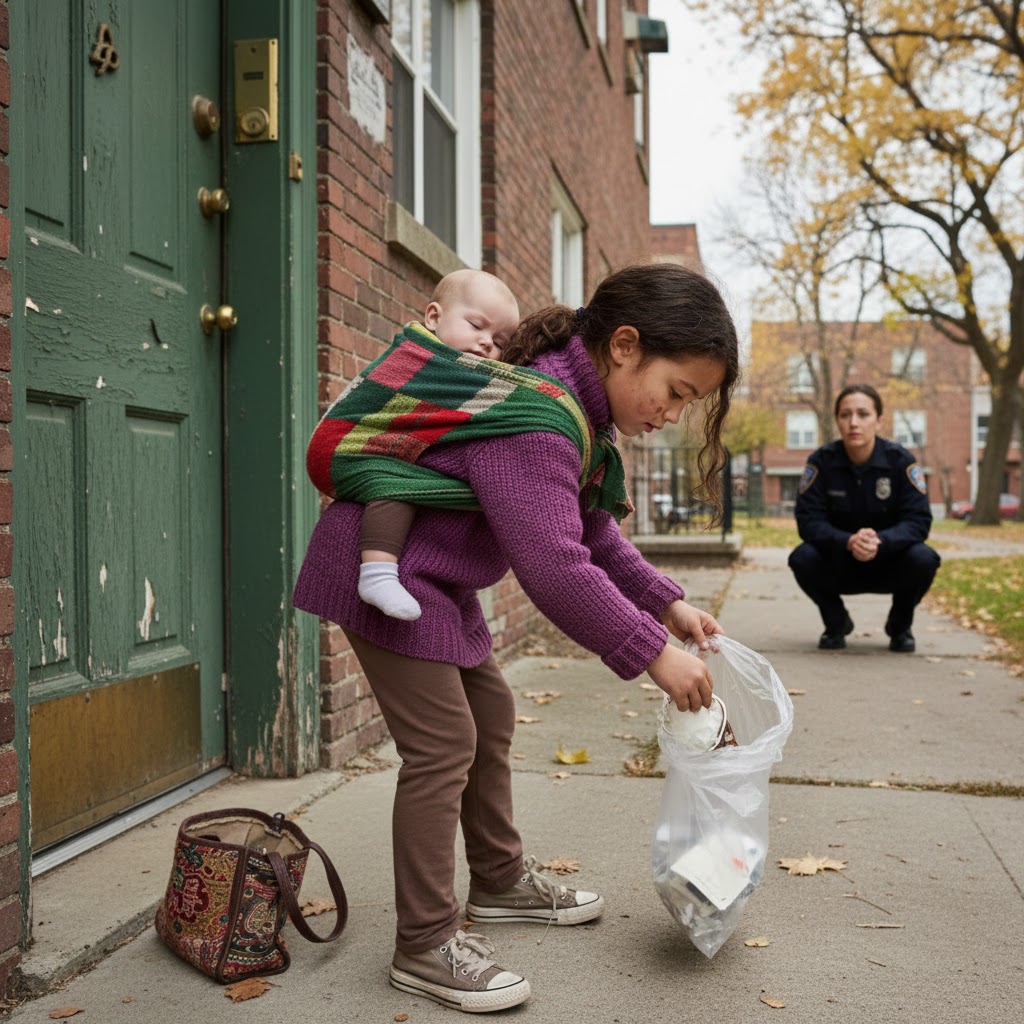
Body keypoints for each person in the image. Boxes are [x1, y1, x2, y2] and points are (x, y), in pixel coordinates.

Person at [294, 262, 739, 1013]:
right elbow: (554, 565)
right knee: (443, 746)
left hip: (435, 578)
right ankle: (425, 944)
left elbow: (592, 530)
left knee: (490, 718)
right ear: (625, 345)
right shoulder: (537, 415)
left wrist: (667, 605)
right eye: (676, 391)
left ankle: (498, 883)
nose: (673, 413)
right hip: (391, 576)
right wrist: (651, 653)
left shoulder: (571, 409)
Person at [353, 269, 520, 621]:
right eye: (477, 326)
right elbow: (374, 403)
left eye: (501, 341)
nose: (488, 342)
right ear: (433, 317)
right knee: (395, 483)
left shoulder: (472, 378)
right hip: (372, 453)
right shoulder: (417, 359)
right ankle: (377, 573)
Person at [788, 384, 941, 654]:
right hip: (839, 561)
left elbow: (919, 521)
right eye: (845, 415)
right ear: (837, 420)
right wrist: (848, 542)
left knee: (924, 558)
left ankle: (899, 627)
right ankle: (836, 623)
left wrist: (880, 540)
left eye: (863, 414)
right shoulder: (822, 462)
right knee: (802, 557)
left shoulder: (900, 462)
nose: (853, 423)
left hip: (889, 562)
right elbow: (807, 520)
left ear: (879, 420)